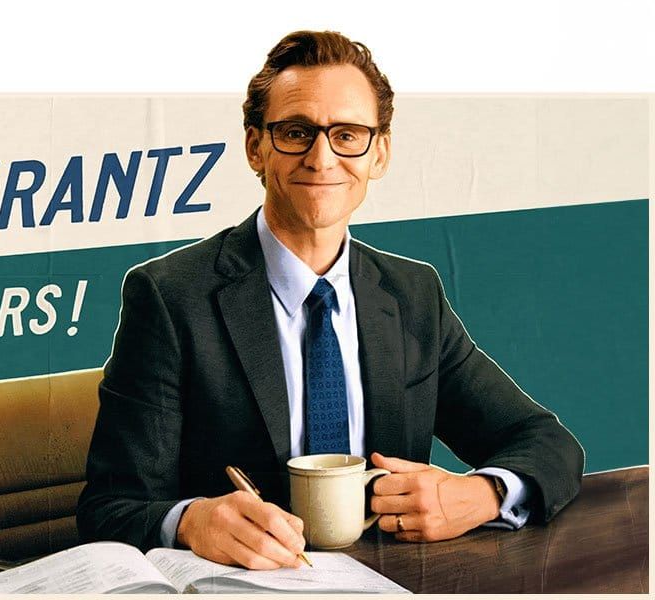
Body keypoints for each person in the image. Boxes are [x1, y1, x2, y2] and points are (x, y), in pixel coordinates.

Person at [76, 30, 583, 570]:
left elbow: (548, 443)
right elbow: (109, 509)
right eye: (296, 133)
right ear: (255, 147)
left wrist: (481, 495)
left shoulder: (413, 295)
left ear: (379, 153)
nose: (321, 159)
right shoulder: (170, 297)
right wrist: (191, 521)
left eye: (347, 135)